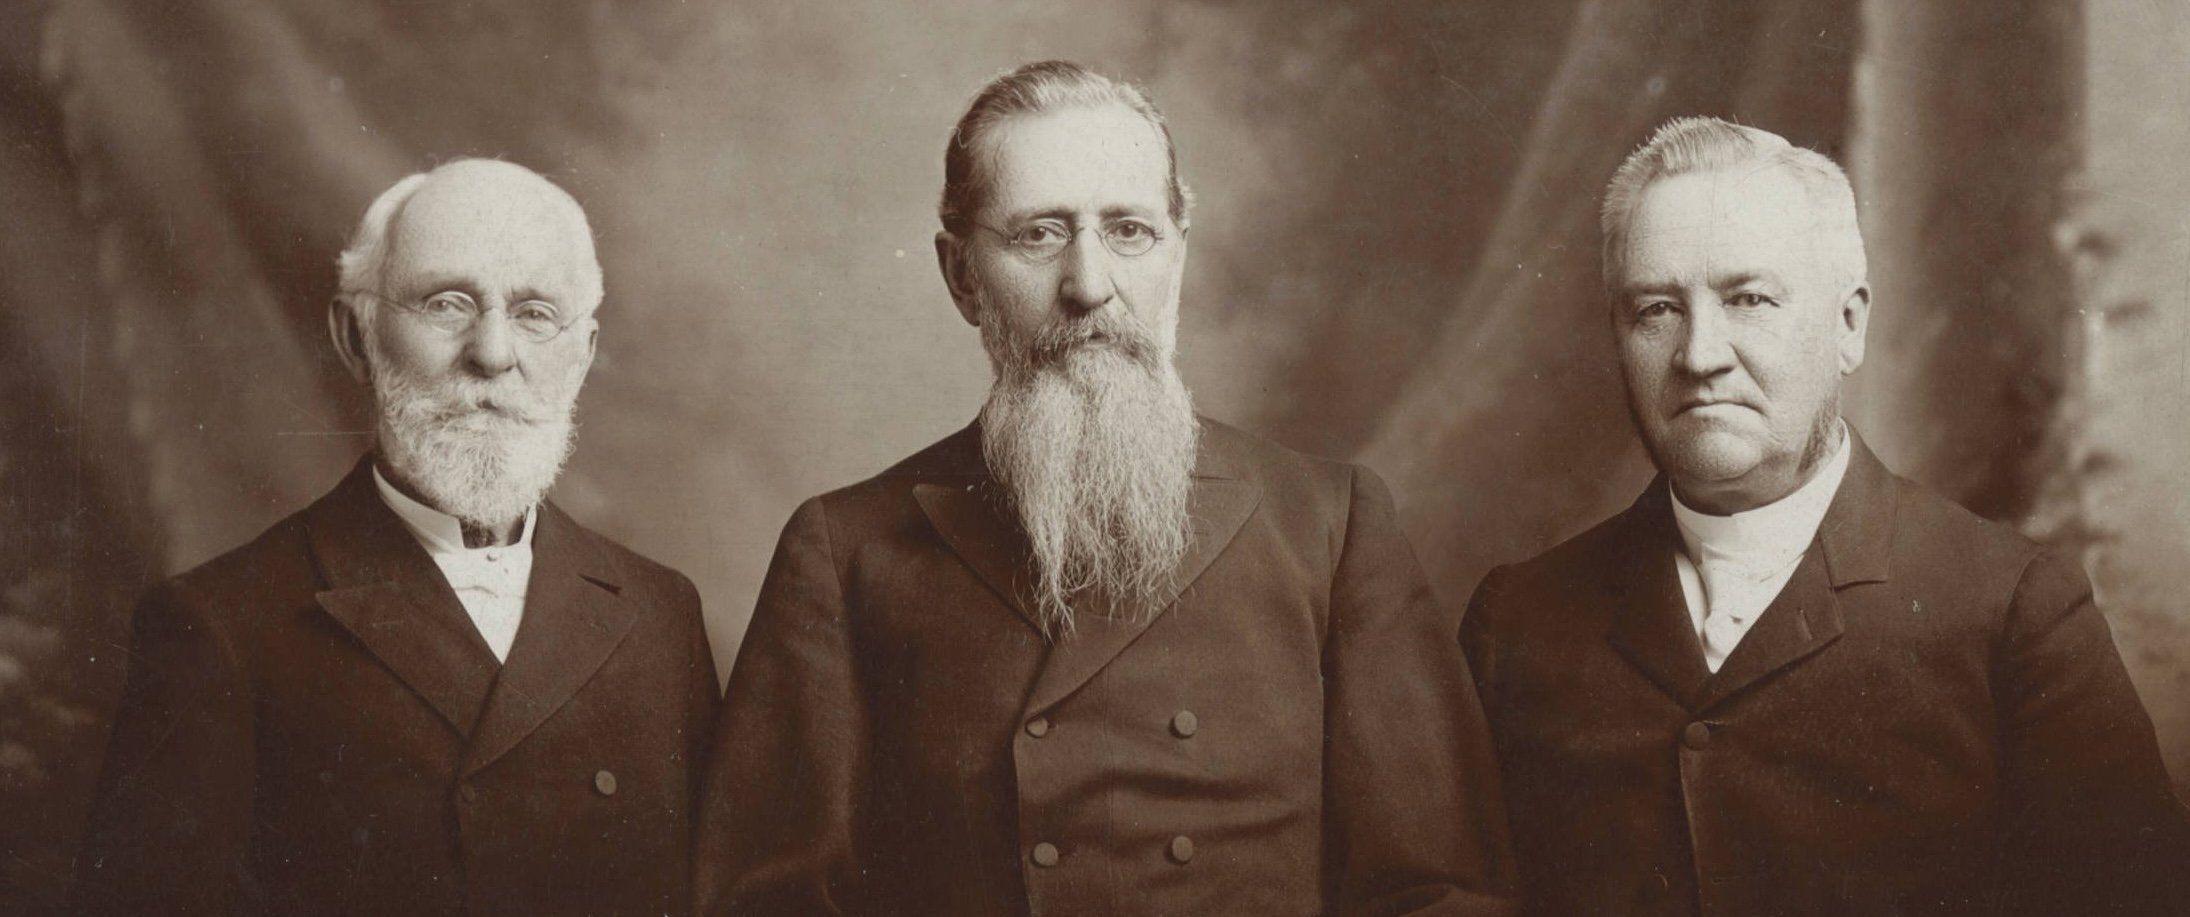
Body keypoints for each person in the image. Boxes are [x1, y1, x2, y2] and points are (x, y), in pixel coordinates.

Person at [695, 61, 1513, 916]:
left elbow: (1439, 890)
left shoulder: (1331, 525)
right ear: (962, 277)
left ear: (1179, 257)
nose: (1089, 285)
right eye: (1040, 234)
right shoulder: (845, 550)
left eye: (1128, 230)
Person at [1460, 116, 2190, 916]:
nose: (1701, 354)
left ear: (1849, 325)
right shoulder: (1516, 625)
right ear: (1618, 336)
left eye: (1750, 298)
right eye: (1657, 309)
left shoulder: (2012, 611)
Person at [75, 159, 718, 916]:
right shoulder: (222, 625)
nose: (493, 352)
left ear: (581, 355)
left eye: (537, 313)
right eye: (448, 304)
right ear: (357, 335)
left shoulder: (661, 614)